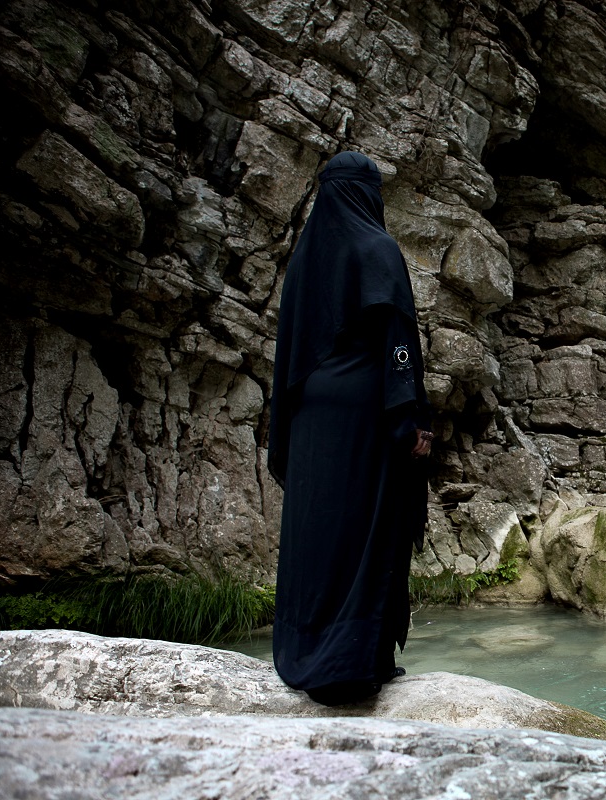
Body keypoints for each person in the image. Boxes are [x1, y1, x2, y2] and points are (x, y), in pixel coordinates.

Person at [267, 151, 432, 705]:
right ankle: (352, 663)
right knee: (367, 528)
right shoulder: (376, 249)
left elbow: (292, 353)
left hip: (311, 414)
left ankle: (306, 652)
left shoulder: (304, 261)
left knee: (319, 527)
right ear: (367, 195)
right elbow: (397, 341)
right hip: (365, 412)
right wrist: (408, 418)